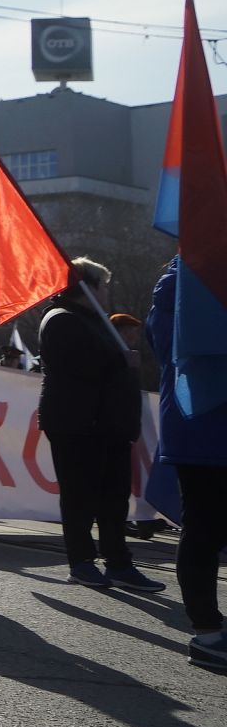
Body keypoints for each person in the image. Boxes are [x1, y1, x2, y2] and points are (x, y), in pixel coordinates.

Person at [35, 258, 163, 591]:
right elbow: (79, 365)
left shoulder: (95, 321)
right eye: (103, 285)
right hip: (78, 423)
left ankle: (119, 563)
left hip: (108, 426)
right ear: (87, 287)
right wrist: (120, 359)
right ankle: (81, 561)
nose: (107, 292)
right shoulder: (61, 319)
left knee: (114, 499)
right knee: (79, 496)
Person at [150, 259, 227, 671]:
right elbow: (180, 352)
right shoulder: (182, 284)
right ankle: (208, 633)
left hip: (203, 428)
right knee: (203, 528)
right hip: (201, 427)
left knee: (208, 527)